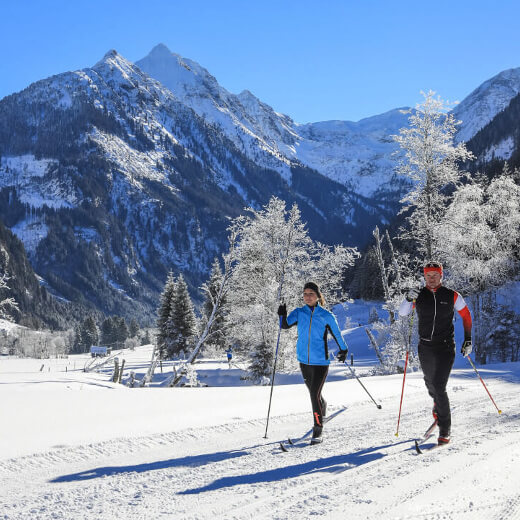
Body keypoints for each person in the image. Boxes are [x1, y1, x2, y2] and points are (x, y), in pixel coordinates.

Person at [399, 261, 473, 445]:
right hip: (425, 347)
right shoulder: (418, 295)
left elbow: (466, 315)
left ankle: (445, 429)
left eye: (435, 275)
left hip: (445, 347)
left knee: (439, 386)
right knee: (430, 384)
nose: (431, 279)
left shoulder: (452, 295)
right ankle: (438, 406)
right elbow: (402, 314)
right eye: (428, 275)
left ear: (441, 276)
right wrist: (408, 299)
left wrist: (468, 338)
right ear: (424, 277)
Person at [278, 281, 349, 445]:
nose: (307, 296)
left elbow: (338, 335)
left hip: (321, 362)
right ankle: (322, 405)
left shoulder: (326, 316)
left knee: (313, 394)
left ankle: (318, 428)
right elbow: (284, 326)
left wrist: (343, 350)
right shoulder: (298, 312)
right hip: (303, 361)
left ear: (318, 296)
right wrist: (282, 314)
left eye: (311, 293)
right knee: (314, 393)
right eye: (305, 294)